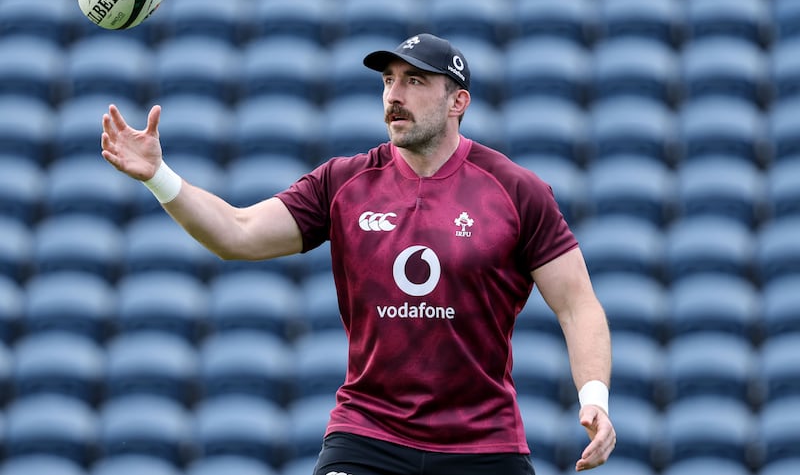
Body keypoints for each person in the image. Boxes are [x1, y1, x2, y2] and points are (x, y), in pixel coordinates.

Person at [101, 33, 616, 474]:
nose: (395, 95)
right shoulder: (343, 182)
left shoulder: (515, 190)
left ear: (457, 101)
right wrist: (158, 176)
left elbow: (578, 305)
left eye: (414, 81)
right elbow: (237, 233)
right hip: (367, 435)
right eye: (388, 81)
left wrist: (594, 399)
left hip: (482, 444)